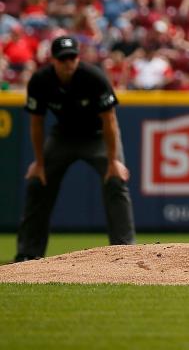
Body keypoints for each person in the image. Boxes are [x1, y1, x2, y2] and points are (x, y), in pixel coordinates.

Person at [15, 36, 135, 261]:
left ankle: (124, 252)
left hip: (98, 137)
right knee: (37, 183)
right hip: (63, 137)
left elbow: (110, 121)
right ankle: (28, 255)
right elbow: (36, 123)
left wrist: (113, 161)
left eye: (72, 58)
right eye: (63, 59)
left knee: (116, 180)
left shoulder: (93, 77)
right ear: (53, 61)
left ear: (78, 58)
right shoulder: (41, 81)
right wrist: (39, 163)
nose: (68, 63)